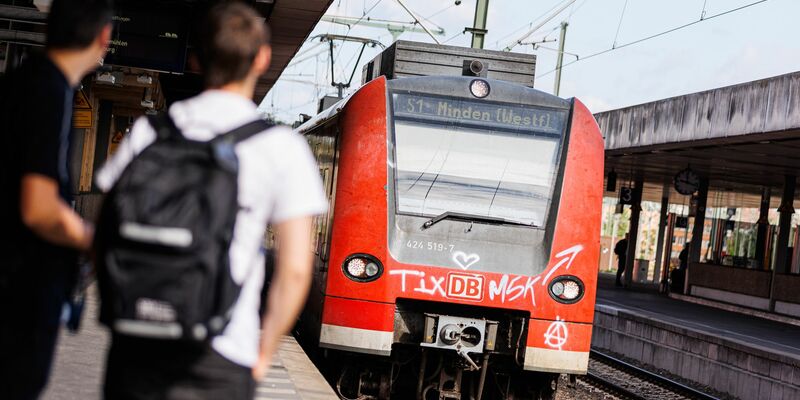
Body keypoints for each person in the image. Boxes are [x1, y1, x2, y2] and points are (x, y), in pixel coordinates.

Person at [94, 2, 327, 399]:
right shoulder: (281, 147)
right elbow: (294, 271)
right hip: (221, 354)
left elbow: (104, 231)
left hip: (137, 346)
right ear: (262, 59)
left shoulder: (150, 131)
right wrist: (262, 354)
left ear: (196, 60)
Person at [0, 1, 112, 398]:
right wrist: (94, 241)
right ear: (104, 37)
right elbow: (39, 208)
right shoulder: (47, 90)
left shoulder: (23, 83)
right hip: (17, 298)